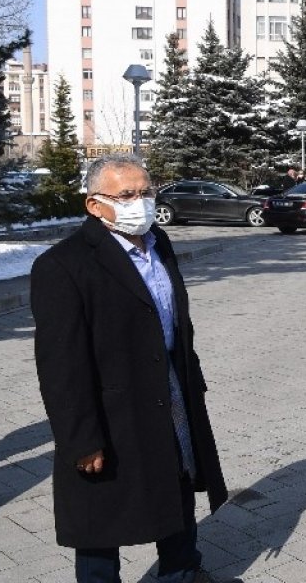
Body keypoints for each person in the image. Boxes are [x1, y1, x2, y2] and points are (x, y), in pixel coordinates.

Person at [31, 155, 229, 583]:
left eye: (146, 192)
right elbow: (60, 364)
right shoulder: (63, 266)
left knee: (178, 485)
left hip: (168, 392)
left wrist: (190, 381)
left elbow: (176, 321)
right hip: (109, 410)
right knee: (100, 514)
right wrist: (81, 440)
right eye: (126, 195)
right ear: (94, 205)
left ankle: (181, 570)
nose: (140, 203)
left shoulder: (159, 243)